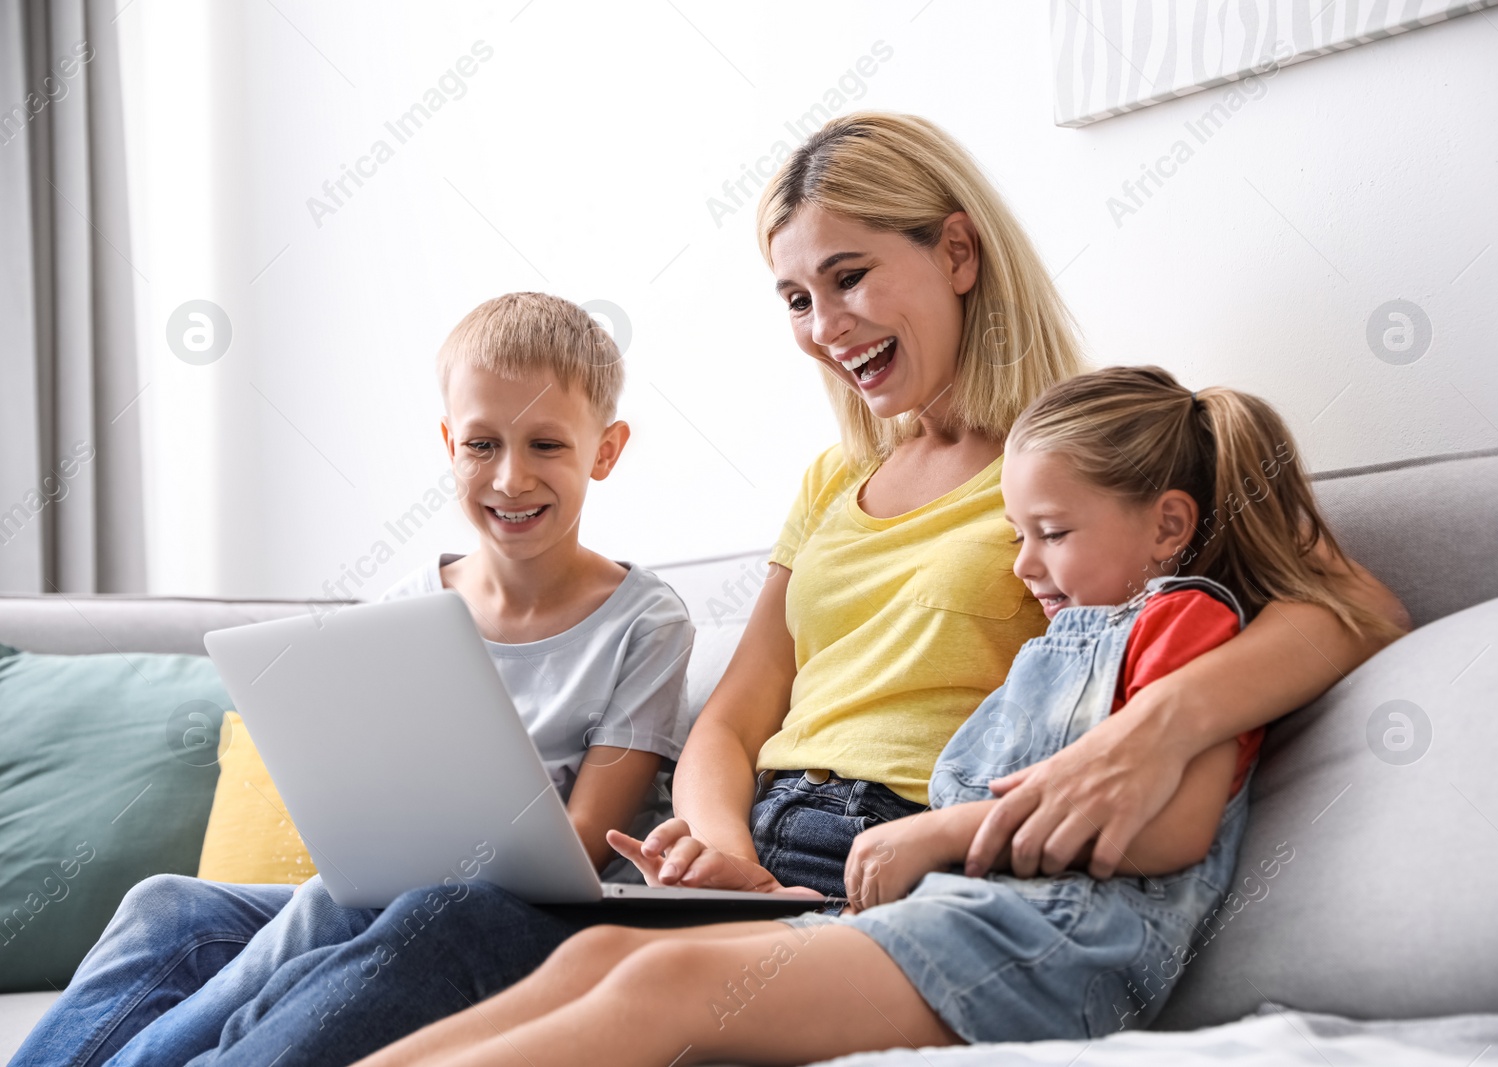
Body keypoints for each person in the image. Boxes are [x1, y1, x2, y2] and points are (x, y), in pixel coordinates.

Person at [28, 111, 1404, 1067]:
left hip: (870, 850)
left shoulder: (1082, 476)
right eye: (797, 298)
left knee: (464, 914)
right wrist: (711, 831)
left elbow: (1348, 606)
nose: (828, 327)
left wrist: (1149, 728)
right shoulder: (831, 484)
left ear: (960, 253)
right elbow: (737, 715)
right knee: (184, 907)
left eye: (851, 277)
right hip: (741, 846)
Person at [350, 365, 1409, 1065]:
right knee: (598, 955)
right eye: (1014, 531)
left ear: (1169, 523)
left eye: (1048, 531)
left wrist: (938, 830)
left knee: (668, 979)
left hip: (1052, 948)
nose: (1021, 563)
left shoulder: (1185, 621)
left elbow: (1171, 827)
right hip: (950, 913)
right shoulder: (1065, 633)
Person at [9, 292, 698, 1067]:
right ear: (448, 444)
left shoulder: (646, 623)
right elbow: (361, 801)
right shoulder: (409, 605)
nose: (511, 477)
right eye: (481, 444)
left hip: (516, 914)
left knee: (331, 906)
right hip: (378, 888)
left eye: (546, 444)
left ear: (604, 451)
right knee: (166, 901)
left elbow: (583, 837)